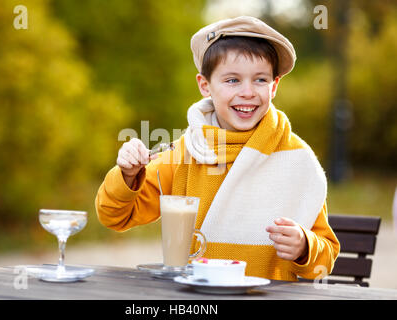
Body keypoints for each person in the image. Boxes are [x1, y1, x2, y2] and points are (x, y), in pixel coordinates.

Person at [95, 16, 340, 281]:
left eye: (260, 80)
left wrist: (305, 246)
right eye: (232, 80)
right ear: (205, 86)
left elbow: (325, 259)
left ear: (275, 86)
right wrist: (127, 175)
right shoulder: (186, 152)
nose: (247, 92)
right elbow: (115, 217)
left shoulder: (296, 159)